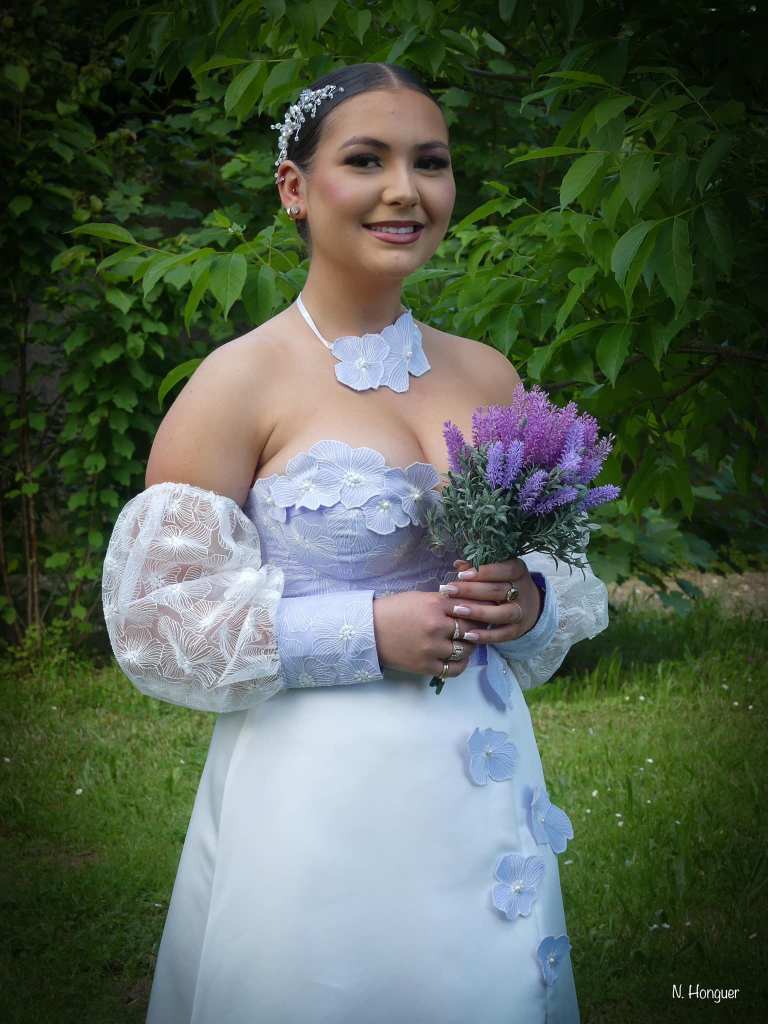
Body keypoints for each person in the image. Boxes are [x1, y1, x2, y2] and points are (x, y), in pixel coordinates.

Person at [102, 62, 610, 1024]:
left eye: (431, 162)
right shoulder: (238, 381)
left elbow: (569, 565)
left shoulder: (488, 373)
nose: (404, 191)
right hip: (320, 786)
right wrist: (363, 630)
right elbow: (158, 620)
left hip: (479, 775)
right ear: (295, 188)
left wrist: (532, 596)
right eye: (365, 160)